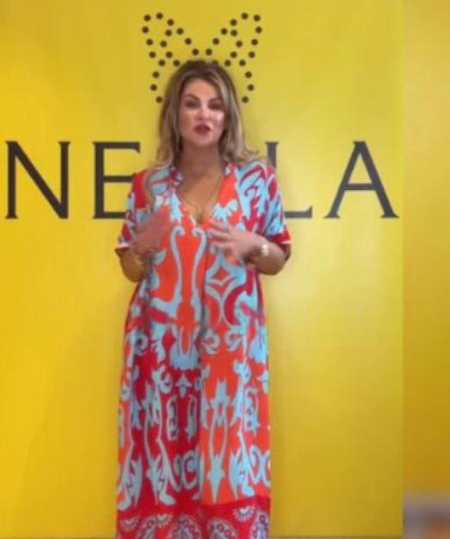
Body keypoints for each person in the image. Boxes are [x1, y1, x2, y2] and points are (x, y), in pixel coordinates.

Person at [114, 59, 291, 539]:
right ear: (175, 114)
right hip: (161, 358)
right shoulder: (147, 186)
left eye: (215, 106)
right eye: (192, 104)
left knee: (230, 465)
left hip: (230, 358)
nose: (204, 115)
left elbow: (278, 258)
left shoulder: (257, 181)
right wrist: (140, 247)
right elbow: (131, 270)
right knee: (164, 467)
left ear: (228, 116)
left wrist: (254, 244)